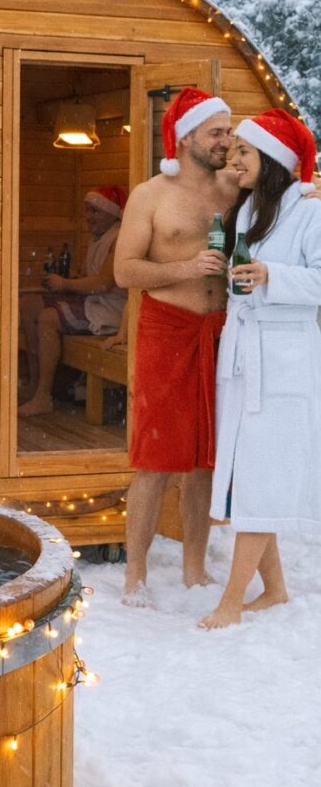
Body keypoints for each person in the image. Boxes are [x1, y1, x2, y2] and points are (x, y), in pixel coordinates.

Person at [114, 87, 235, 606]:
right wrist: (186, 268)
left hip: (222, 328)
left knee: (205, 457)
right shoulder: (151, 195)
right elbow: (124, 271)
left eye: (230, 131)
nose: (227, 141)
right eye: (217, 132)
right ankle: (135, 575)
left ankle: (194, 568)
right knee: (156, 456)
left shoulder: (235, 189)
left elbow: (287, 187)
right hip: (168, 325)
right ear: (186, 137)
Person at [200, 110, 321, 629]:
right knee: (249, 477)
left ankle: (231, 601)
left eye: (245, 151)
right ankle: (272, 589)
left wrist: (272, 274)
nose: (235, 157)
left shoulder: (311, 213)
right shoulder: (250, 210)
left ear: (272, 159)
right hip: (246, 352)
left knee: (262, 476)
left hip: (284, 356)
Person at [19, 185, 127, 416]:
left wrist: (65, 285)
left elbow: (104, 283)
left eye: (95, 211)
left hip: (111, 311)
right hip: (93, 304)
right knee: (28, 305)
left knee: (48, 318)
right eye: (87, 210)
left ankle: (43, 396)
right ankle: (34, 382)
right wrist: (70, 282)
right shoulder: (96, 239)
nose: (88, 217)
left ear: (112, 213)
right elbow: (91, 279)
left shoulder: (118, 240)